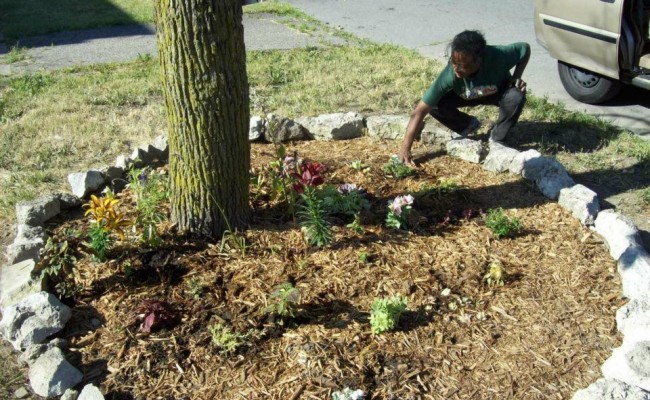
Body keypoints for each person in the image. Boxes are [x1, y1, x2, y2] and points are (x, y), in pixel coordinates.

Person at [399, 30, 530, 166]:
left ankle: (497, 140)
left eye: (462, 65)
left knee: (516, 96)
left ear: (479, 60)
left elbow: (524, 48)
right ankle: (467, 125)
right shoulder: (451, 75)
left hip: (498, 92)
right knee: (435, 103)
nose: (456, 69)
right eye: (454, 62)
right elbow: (419, 111)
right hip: (466, 95)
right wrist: (405, 148)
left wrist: (517, 76)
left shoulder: (499, 55)